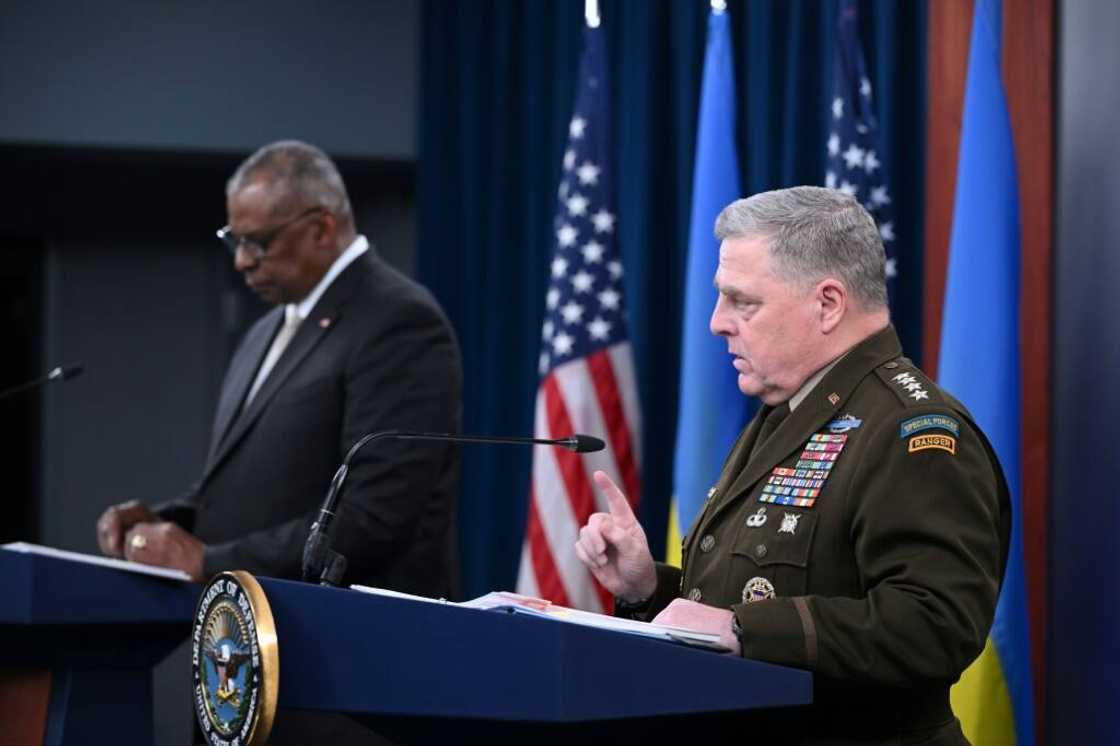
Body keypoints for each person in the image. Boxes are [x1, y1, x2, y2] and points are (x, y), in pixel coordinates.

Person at [575, 186, 1010, 744]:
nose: (716, 322)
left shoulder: (911, 432)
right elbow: (752, 595)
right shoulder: (789, 414)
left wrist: (742, 628)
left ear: (827, 304)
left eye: (743, 302)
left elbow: (936, 625)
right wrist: (646, 590)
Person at [96, 140, 462, 600]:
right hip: (254, 635)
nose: (242, 260)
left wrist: (208, 562)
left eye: (256, 242)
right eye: (233, 239)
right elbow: (256, 491)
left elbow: (372, 517)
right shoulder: (267, 328)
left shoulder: (398, 320)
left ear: (321, 229)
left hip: (349, 640)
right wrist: (168, 523)